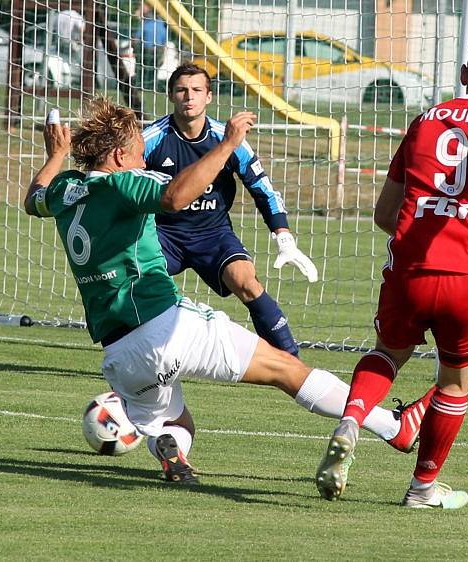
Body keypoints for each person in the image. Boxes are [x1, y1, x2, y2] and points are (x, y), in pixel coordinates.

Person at [24, 97, 426, 486]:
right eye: (137, 152)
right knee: (288, 371)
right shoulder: (123, 185)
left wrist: (56, 154)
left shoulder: (65, 191)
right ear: (116, 157)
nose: (143, 160)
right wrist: (229, 144)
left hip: (119, 354)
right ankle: (393, 427)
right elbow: (174, 197)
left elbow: (32, 200)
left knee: (177, 422)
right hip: (168, 325)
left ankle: (171, 448)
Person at [315, 35, 468, 508]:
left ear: (464, 74)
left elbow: (385, 213)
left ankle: (353, 418)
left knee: (387, 354)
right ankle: (423, 487)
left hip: (412, 264)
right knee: (453, 382)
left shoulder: (423, 121)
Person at [142, 63, 317, 358]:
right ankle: (144, 358)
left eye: (197, 90)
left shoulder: (229, 138)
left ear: (209, 97)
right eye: (182, 90)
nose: (189, 97)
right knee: (136, 285)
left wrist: (284, 237)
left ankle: (289, 357)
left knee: (246, 281)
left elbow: (262, 187)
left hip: (212, 233)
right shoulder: (150, 139)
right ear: (171, 95)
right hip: (163, 234)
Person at [134, 2, 168, 90]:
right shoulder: (156, 24)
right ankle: (146, 86)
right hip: (150, 51)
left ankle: (145, 86)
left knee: (147, 71)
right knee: (147, 70)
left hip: (152, 51)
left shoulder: (154, 24)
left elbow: (164, 43)